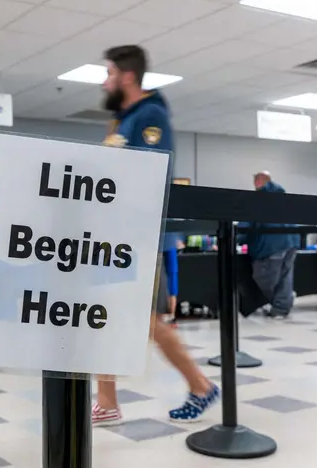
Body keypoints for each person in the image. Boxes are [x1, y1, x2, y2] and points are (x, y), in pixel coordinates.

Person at [92, 45, 219, 427]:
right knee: (106, 319)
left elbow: (148, 175)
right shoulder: (124, 119)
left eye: (109, 73)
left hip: (135, 236)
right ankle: (108, 401)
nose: (104, 81)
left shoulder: (150, 116)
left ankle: (200, 385)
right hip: (114, 236)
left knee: (145, 322)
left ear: (127, 76)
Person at [237, 171, 299, 319]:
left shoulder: (256, 201)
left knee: (264, 279)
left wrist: (239, 239)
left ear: (258, 181)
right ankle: (281, 308)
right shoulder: (285, 199)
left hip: (270, 247)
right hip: (291, 244)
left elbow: (245, 225)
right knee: (284, 278)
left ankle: (281, 303)